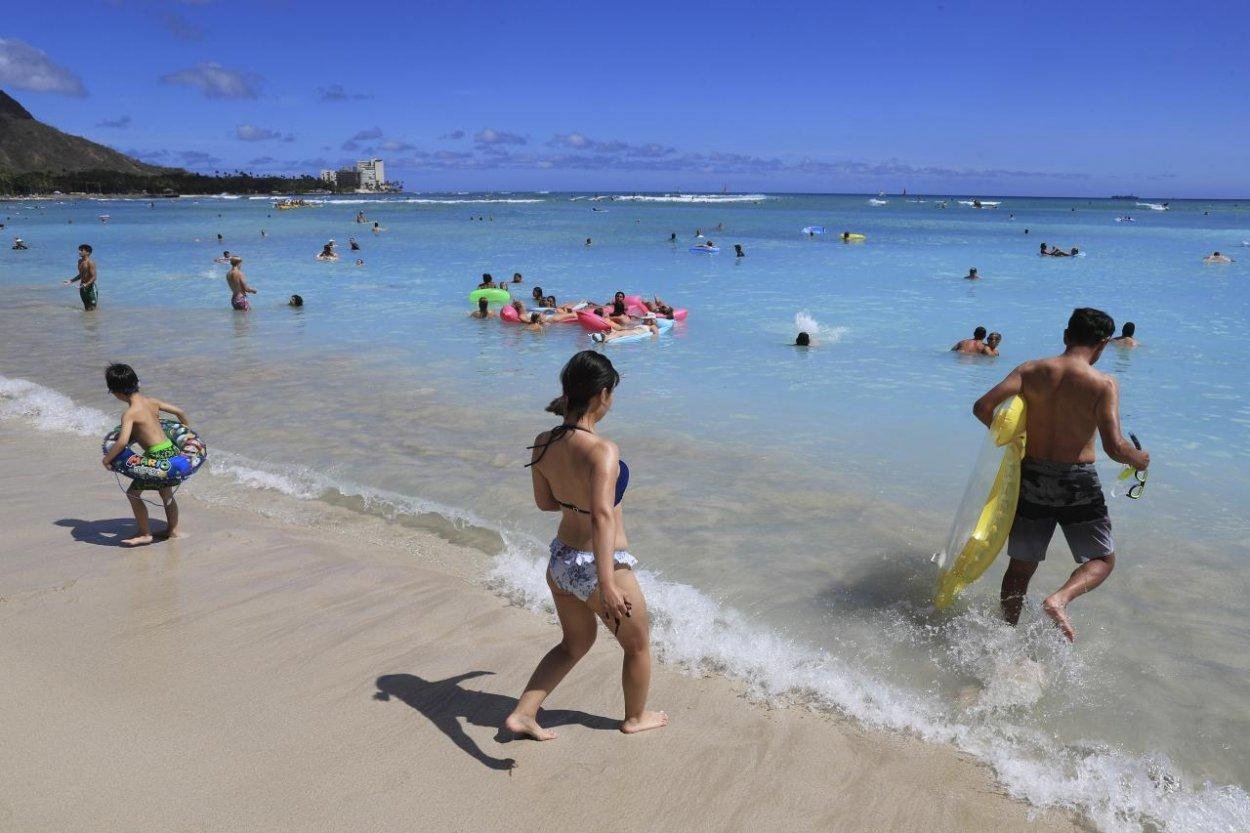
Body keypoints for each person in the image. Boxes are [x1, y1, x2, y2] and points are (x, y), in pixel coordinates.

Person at [504, 352, 666, 739]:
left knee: (574, 644)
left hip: (561, 562)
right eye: (611, 394)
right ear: (602, 395)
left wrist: (573, 494)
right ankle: (635, 718)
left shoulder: (544, 443)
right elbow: (602, 516)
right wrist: (607, 584)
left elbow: (545, 503)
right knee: (638, 645)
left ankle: (524, 713)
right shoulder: (602, 450)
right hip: (599, 566)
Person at [972, 308, 1150, 642]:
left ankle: (1005, 639)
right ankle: (1059, 599)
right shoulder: (1103, 383)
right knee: (1102, 559)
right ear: (1103, 344)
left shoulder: (1030, 370)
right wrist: (1140, 460)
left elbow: (982, 407)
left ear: (1066, 336)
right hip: (1077, 481)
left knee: (1021, 566)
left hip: (1033, 475)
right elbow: (1115, 447)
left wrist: (1014, 440)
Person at [100, 363, 188, 547]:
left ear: (116, 392)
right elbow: (180, 412)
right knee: (166, 493)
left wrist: (107, 459)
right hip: (171, 451)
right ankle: (173, 530)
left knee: (133, 493)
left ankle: (144, 533)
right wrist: (187, 433)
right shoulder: (152, 402)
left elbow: (122, 442)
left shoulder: (130, 413)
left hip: (157, 459)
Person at [62, 243, 98, 310]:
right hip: (82, 288)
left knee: (93, 309)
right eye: (79, 250)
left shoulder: (90, 263)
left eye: (81, 250)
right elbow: (81, 275)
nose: (79, 252)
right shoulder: (80, 261)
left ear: (87, 252)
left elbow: (94, 277)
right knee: (86, 308)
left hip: (91, 289)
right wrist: (71, 281)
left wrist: (86, 284)